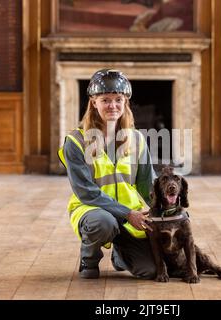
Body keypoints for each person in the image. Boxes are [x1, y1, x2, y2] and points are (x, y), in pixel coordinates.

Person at [58, 69, 157, 279]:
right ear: (94, 102)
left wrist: (170, 209)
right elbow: (86, 192)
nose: (113, 105)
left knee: (150, 270)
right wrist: (127, 214)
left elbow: (148, 185)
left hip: (129, 216)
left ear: (125, 102)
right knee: (104, 222)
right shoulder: (76, 141)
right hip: (93, 212)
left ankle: (121, 254)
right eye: (105, 100)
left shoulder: (137, 139)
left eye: (118, 99)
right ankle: (89, 259)